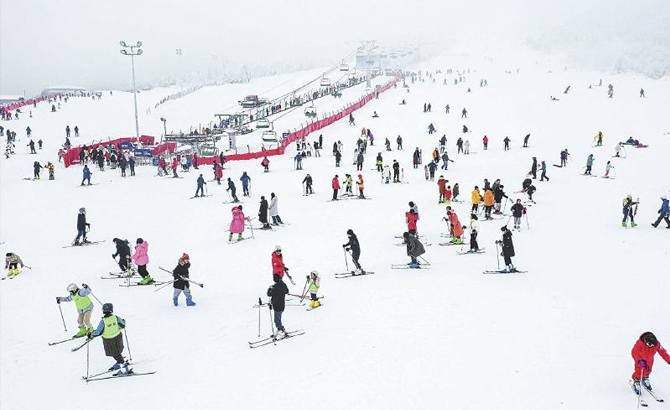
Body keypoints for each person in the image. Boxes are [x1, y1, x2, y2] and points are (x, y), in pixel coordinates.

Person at [88, 303, 129, 376]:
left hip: (109, 340)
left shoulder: (103, 321)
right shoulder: (116, 317)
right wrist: (123, 321)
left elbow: (98, 332)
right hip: (118, 337)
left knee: (114, 353)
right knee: (117, 351)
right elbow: (122, 325)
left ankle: (124, 368)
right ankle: (119, 363)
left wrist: (91, 334)